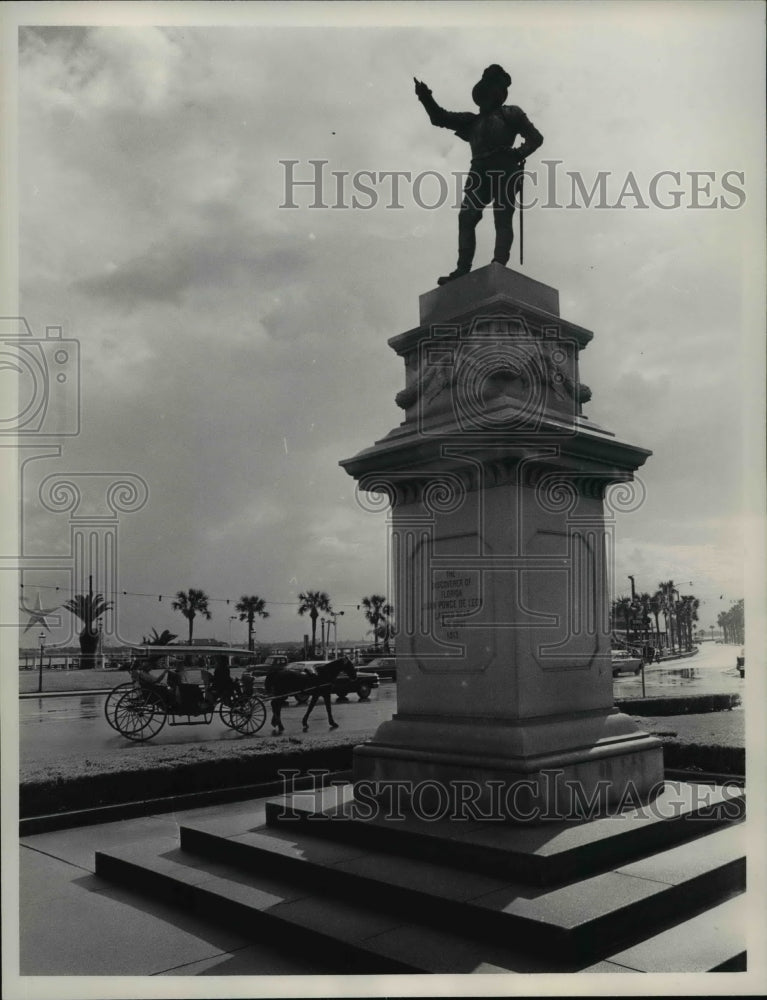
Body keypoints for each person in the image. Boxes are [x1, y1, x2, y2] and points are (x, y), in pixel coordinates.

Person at [414, 64, 543, 284]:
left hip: (504, 168)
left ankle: (499, 263)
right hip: (479, 171)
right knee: (466, 216)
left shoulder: (511, 113)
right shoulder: (472, 120)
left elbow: (535, 138)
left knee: (501, 217)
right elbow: (439, 117)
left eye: (494, 89)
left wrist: (517, 153)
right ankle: (462, 268)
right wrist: (425, 97)